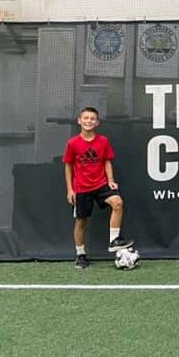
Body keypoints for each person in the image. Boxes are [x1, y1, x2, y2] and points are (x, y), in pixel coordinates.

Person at [64, 107, 134, 269]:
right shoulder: (73, 143)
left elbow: (106, 161)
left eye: (92, 119)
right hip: (81, 188)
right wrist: (70, 189)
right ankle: (80, 255)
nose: (89, 121)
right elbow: (68, 166)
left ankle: (114, 240)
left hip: (101, 184)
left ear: (97, 123)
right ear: (79, 121)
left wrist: (110, 180)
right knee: (81, 222)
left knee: (117, 203)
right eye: (86, 118)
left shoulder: (103, 141)